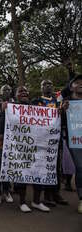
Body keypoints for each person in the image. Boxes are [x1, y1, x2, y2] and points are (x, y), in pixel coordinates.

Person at [6, 86, 50, 213]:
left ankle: (36, 202)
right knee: (22, 175)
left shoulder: (36, 106)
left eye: (26, 91)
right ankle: (22, 202)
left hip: (37, 146)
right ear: (16, 95)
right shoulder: (11, 108)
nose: (24, 92)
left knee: (38, 173)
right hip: (20, 147)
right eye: (20, 91)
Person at [32, 80, 68, 206]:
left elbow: (63, 118)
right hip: (41, 139)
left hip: (55, 139)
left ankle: (55, 193)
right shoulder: (36, 102)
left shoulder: (58, 100)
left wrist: (62, 111)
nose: (48, 86)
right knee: (43, 166)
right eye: (45, 84)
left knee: (56, 167)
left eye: (50, 84)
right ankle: (45, 196)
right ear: (40, 87)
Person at [61, 74, 82, 214]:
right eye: (77, 82)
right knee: (81, 167)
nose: (81, 84)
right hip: (75, 140)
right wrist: (62, 111)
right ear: (71, 86)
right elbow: (58, 121)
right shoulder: (65, 102)